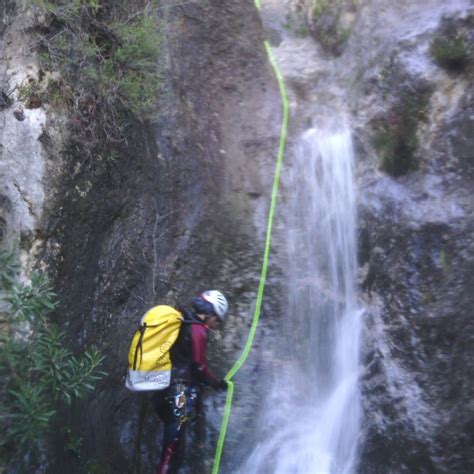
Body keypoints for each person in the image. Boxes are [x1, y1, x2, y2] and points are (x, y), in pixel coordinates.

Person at [152, 290, 229, 474]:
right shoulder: (198, 329)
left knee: (173, 449)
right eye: (217, 319)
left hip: (162, 389)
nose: (216, 324)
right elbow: (199, 366)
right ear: (209, 313)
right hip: (178, 392)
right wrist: (216, 383)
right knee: (172, 453)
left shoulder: (182, 321)